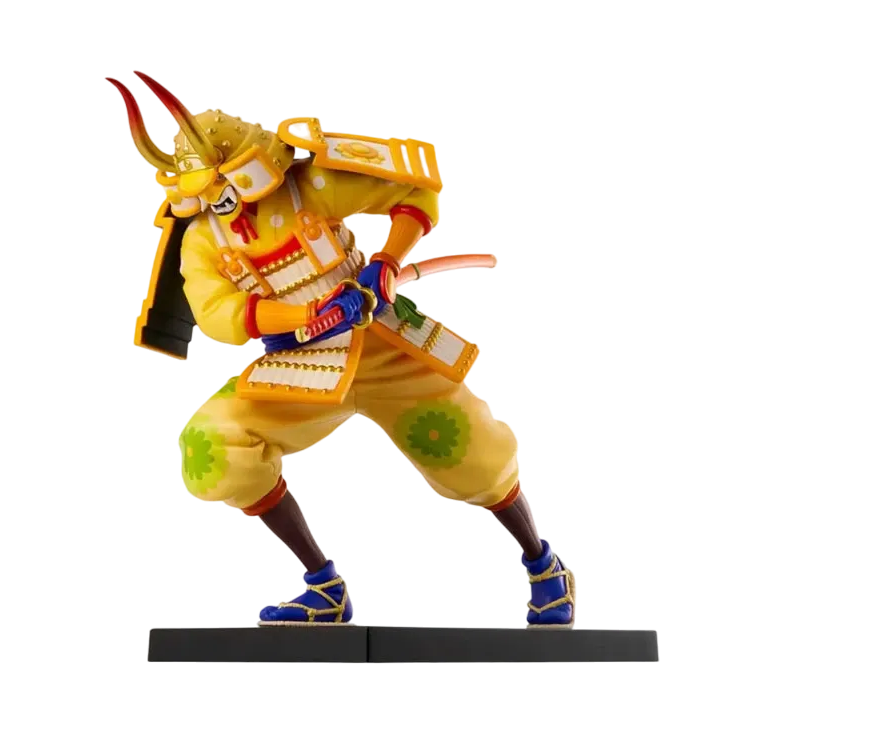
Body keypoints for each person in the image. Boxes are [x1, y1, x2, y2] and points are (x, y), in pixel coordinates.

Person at [107, 72, 576, 628]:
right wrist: (303, 316)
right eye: (212, 194)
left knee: (467, 445)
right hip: (298, 364)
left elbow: (415, 192)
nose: (229, 205)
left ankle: (542, 566)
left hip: (379, 343)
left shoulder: (307, 187)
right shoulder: (203, 240)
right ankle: (322, 587)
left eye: (233, 185)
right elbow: (220, 316)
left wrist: (384, 264)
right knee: (213, 441)